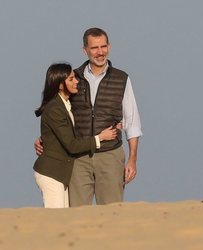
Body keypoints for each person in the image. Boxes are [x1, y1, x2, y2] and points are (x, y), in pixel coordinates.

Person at [35, 27, 142, 206]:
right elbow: (59, 113)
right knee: (77, 213)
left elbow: (132, 122)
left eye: (104, 46)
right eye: (94, 48)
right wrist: (44, 138)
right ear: (85, 50)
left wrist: (132, 160)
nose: (100, 52)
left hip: (110, 156)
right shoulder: (73, 78)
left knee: (112, 213)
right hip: (78, 159)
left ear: (109, 46)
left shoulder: (121, 78)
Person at [33, 62, 117, 208]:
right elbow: (71, 145)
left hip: (61, 174)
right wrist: (101, 137)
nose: (76, 81)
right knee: (56, 219)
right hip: (51, 173)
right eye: (71, 79)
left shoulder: (66, 103)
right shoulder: (55, 108)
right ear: (60, 85)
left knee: (64, 218)